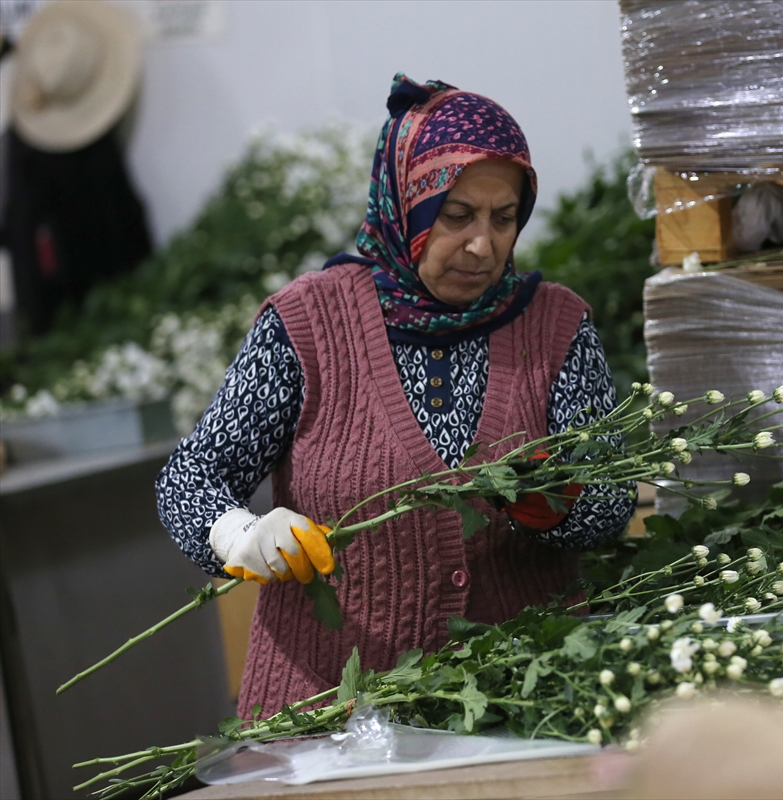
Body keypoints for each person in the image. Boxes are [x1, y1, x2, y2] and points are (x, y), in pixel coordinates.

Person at [156, 74, 635, 718]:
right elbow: (190, 477)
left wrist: (559, 501)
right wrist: (239, 534)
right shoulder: (310, 323)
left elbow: (611, 498)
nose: (482, 244)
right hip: (327, 717)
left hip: (518, 703)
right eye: (456, 216)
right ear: (405, 203)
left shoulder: (554, 326)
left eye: (504, 218)